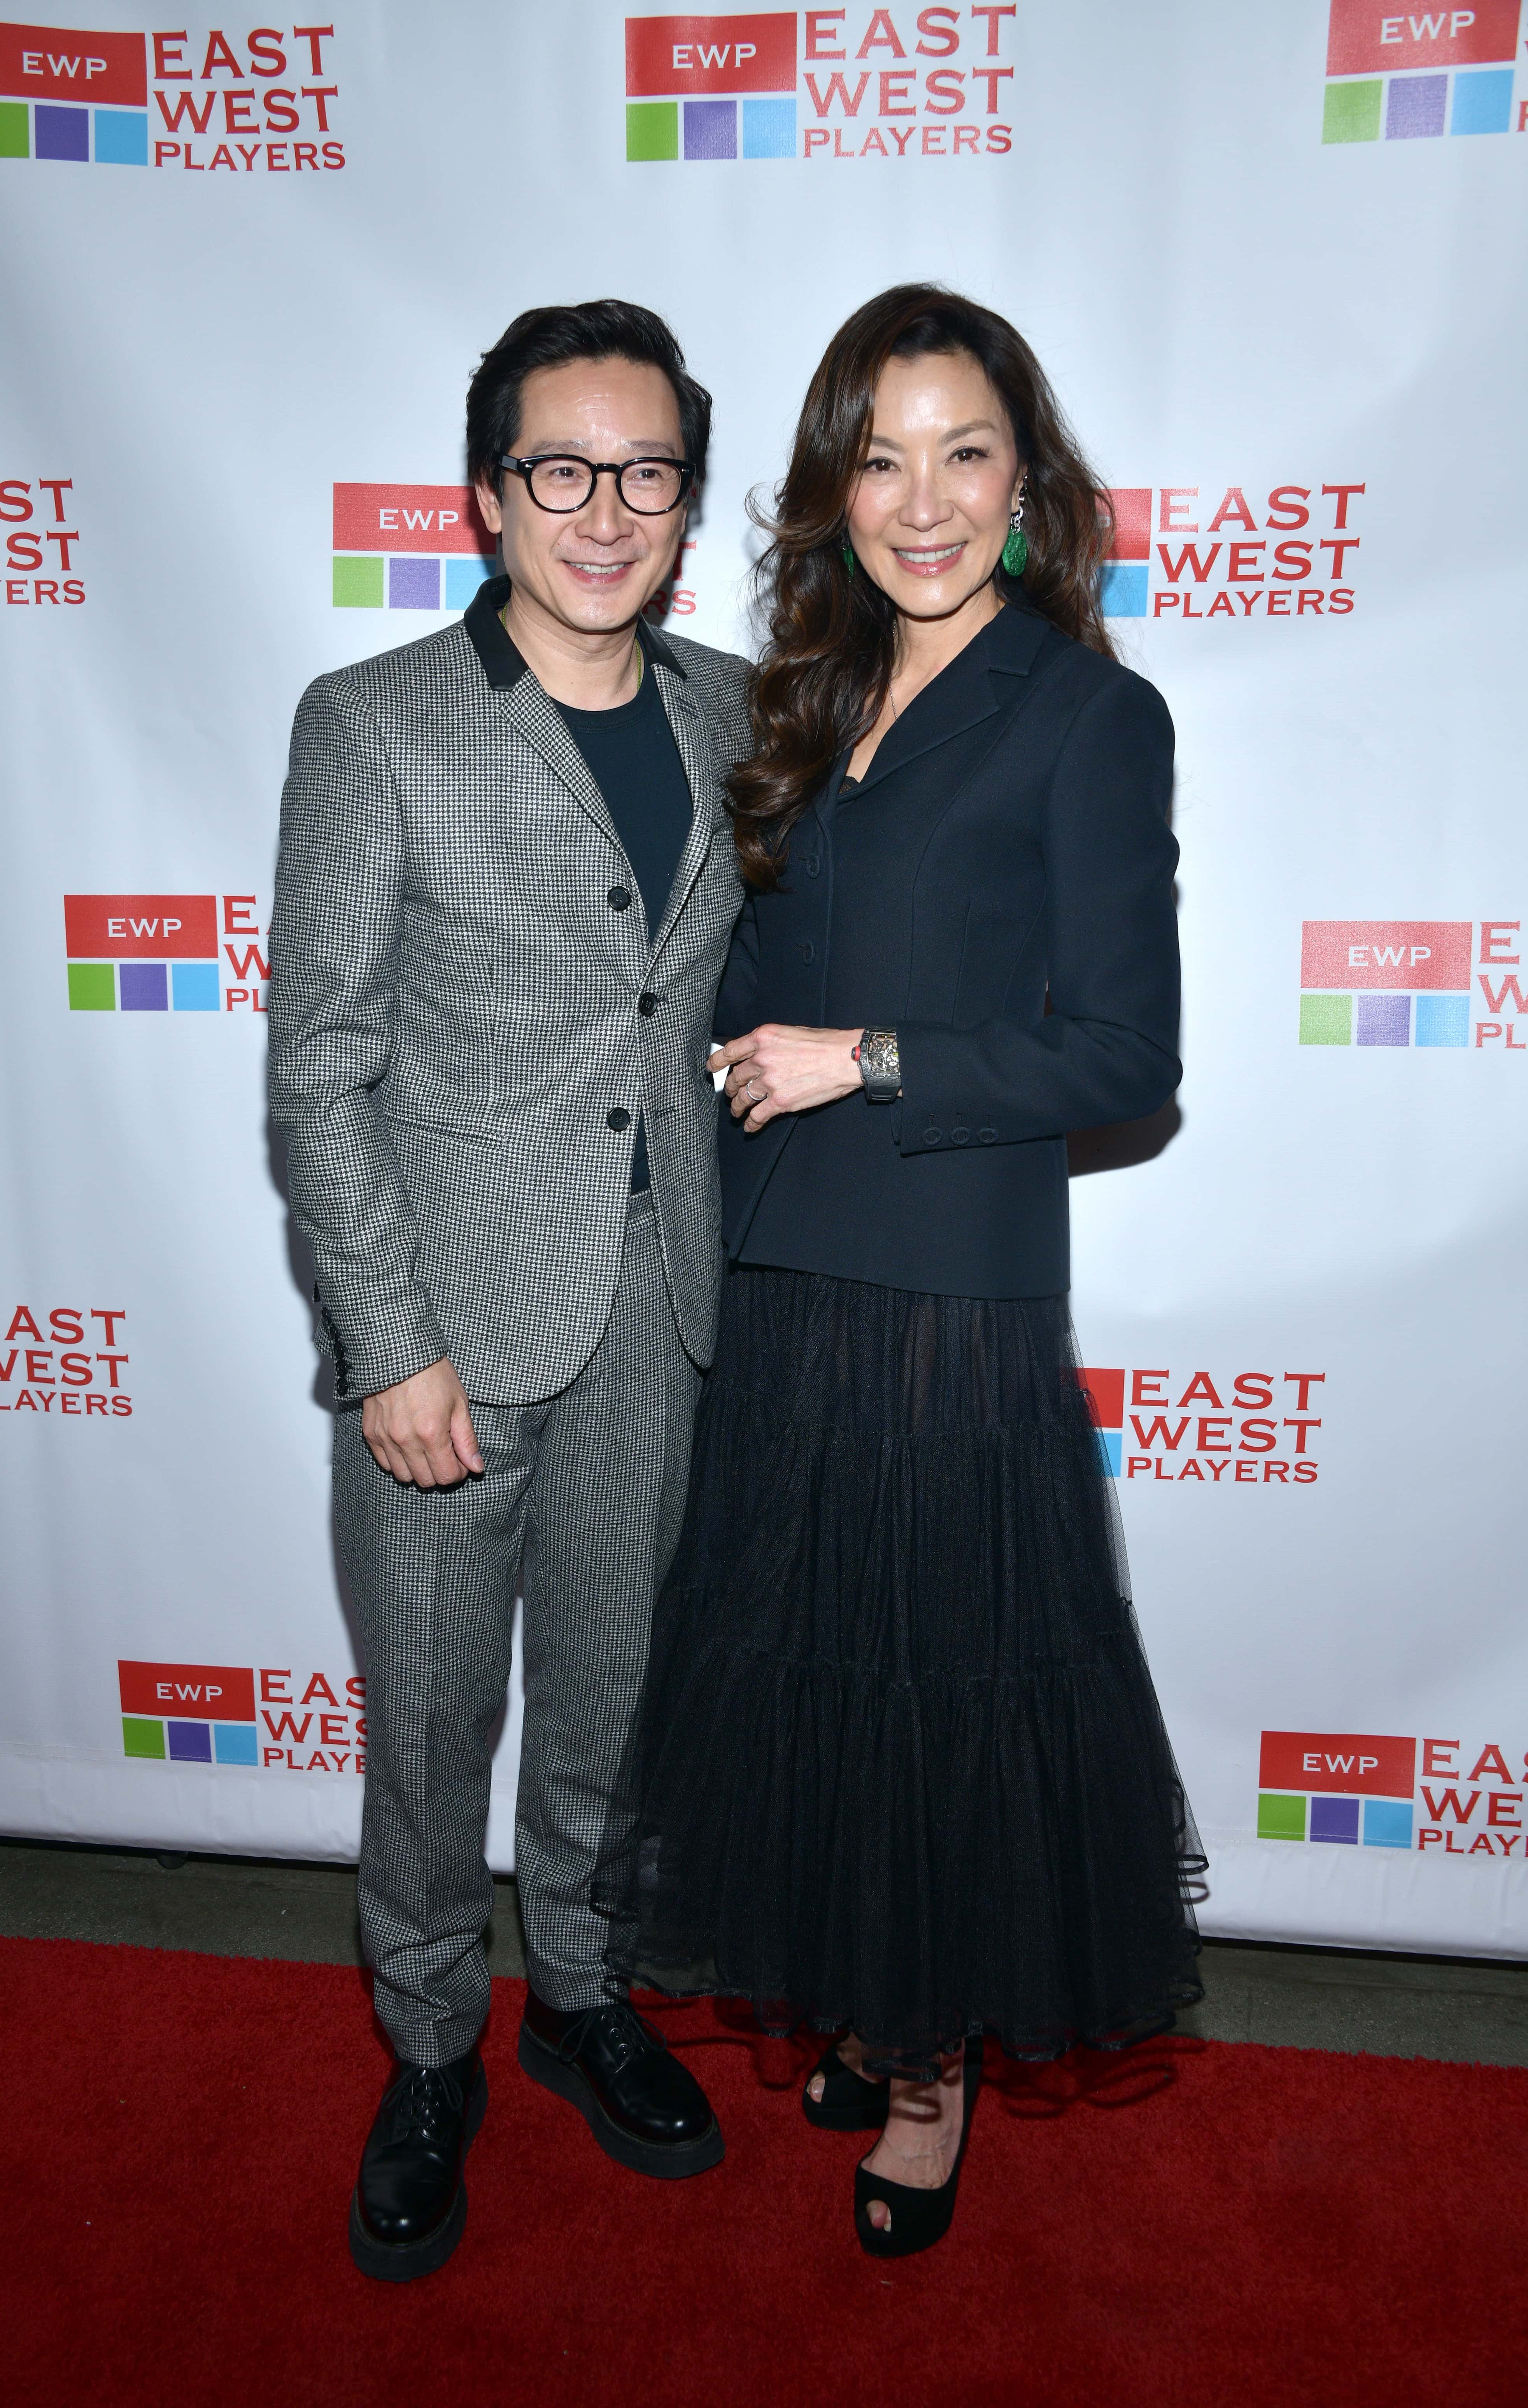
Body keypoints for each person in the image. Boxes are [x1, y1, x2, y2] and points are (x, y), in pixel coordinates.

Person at [596, 285, 1204, 2259]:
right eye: (883, 454)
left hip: (948, 1302)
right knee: (812, 1693)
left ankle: (930, 2075)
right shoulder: (803, 696)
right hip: (782, 1280)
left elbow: (1127, 1058)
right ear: (832, 482)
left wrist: (868, 1060)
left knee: (940, 1693)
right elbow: (740, 990)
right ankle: (864, 1997)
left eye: (966, 452)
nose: (922, 500)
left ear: (1028, 483)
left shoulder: (1092, 713)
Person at [268, 299, 751, 2282]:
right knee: (432, 1726)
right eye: (563, 469)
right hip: (449, 1339)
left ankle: (579, 1994)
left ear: (686, 501)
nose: (605, 511)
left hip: (665, 1307)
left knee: (617, 1713)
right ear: (489, 497)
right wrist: (385, 1344)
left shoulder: (737, 712)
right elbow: (320, 1066)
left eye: (645, 473)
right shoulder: (374, 722)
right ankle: (427, 2052)